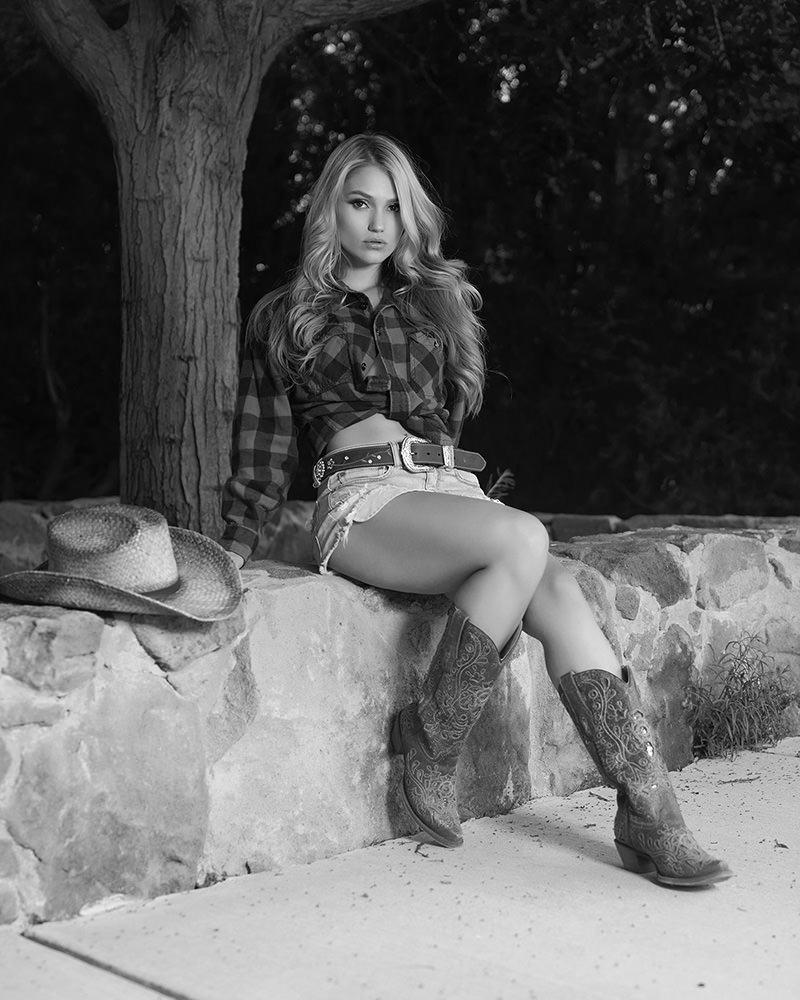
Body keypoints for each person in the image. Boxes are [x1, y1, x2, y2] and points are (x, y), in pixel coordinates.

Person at [220, 133, 731, 888]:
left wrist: (453, 502)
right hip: (361, 502)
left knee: (556, 587)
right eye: (360, 203)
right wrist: (231, 548)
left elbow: (445, 432)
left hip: (448, 496)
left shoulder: (434, 307)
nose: (378, 223)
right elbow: (262, 452)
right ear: (331, 209)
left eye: (394, 207)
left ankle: (651, 812)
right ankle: (432, 744)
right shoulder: (284, 315)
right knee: (523, 539)